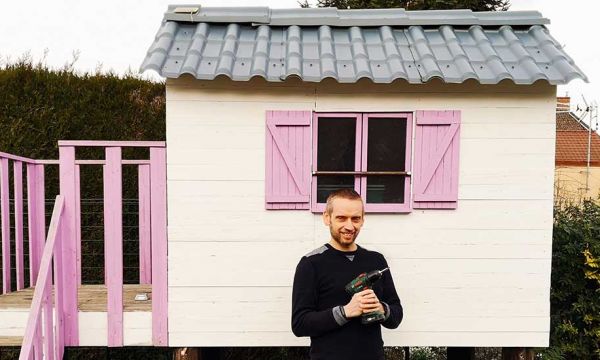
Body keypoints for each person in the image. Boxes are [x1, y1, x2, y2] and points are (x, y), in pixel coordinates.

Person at [291, 188, 403, 360]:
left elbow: (396, 315)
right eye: (341, 218)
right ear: (327, 218)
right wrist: (345, 312)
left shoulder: (376, 260)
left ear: (363, 220)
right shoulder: (311, 263)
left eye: (356, 219)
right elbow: (299, 324)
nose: (349, 226)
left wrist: (380, 308)